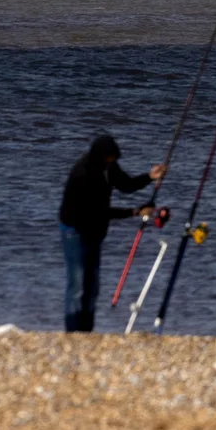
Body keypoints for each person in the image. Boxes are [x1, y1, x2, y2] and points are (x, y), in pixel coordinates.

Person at [58, 135, 165, 332]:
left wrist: (150, 177)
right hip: (75, 230)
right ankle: (73, 332)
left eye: (114, 160)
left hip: (95, 231)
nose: (112, 163)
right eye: (109, 159)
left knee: (92, 286)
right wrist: (135, 212)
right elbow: (99, 212)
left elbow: (126, 185)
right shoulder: (83, 175)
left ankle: (86, 331)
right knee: (78, 284)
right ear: (100, 157)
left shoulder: (109, 167)